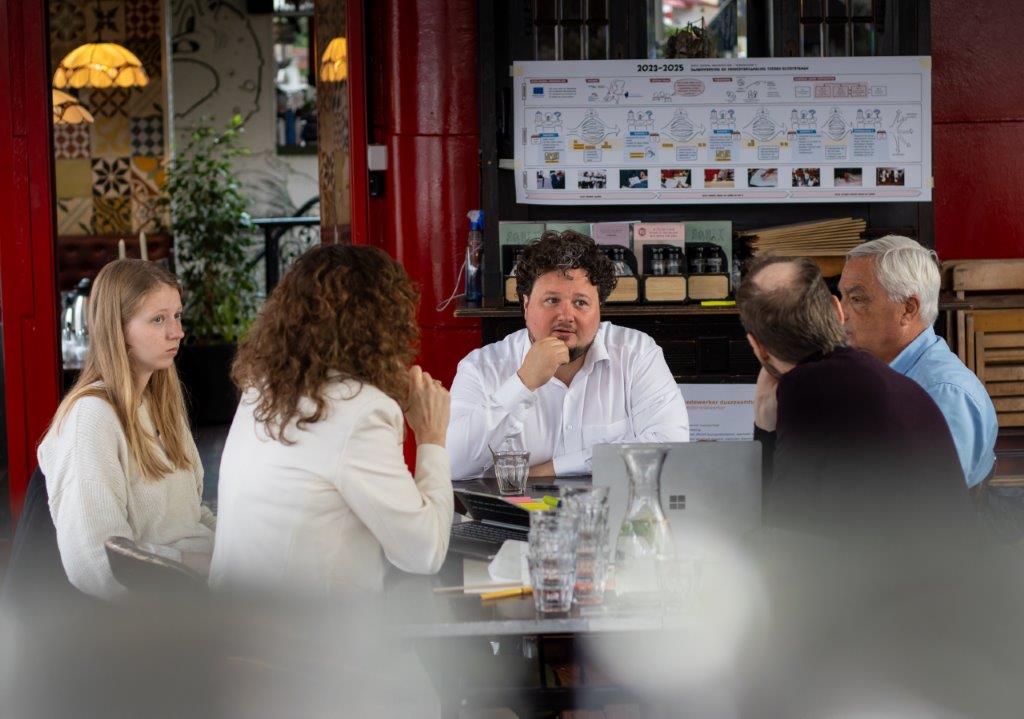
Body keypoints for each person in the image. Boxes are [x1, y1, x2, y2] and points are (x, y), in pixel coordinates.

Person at [209, 245, 453, 595]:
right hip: (308, 627)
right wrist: (431, 436)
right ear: (382, 323)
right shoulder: (362, 411)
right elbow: (424, 553)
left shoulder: (261, 390)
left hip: (238, 618)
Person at [736, 255, 970, 535]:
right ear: (837, 310)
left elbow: (780, 528)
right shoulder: (875, 373)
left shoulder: (806, 385)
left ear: (758, 347)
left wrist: (764, 429)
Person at [37, 260, 215, 600]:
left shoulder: (161, 404)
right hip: (161, 605)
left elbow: (193, 516)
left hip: (201, 586)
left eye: (177, 316)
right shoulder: (92, 417)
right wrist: (194, 565)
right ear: (117, 328)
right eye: (158, 319)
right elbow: (94, 561)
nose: (176, 332)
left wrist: (240, 552)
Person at [448, 230, 689, 479]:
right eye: (552, 300)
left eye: (580, 303)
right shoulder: (481, 367)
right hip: (516, 507)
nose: (566, 316)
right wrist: (523, 383)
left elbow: (671, 447)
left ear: (599, 309)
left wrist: (552, 469)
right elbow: (453, 464)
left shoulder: (636, 353)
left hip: (612, 503)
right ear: (526, 305)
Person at [840, 236, 997, 488]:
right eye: (842, 297)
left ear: (908, 309)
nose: (841, 313)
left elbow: (928, 502)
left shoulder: (943, 394)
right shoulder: (873, 370)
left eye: (857, 299)